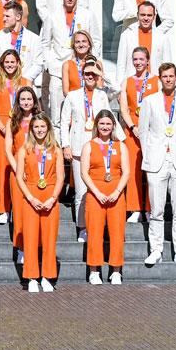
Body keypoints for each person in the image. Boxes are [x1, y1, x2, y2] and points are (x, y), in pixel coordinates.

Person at [59, 60, 121, 242]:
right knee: (81, 191)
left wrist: (102, 73)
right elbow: (63, 122)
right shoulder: (72, 95)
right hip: (78, 147)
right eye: (87, 74)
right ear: (82, 76)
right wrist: (65, 145)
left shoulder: (102, 95)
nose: (90, 77)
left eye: (93, 74)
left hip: (100, 146)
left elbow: (117, 89)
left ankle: (99, 225)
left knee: (100, 188)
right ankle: (82, 227)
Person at [139, 62, 176, 267]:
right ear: (160, 79)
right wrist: (149, 155)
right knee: (157, 209)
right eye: (165, 76)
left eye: (171, 76)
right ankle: (156, 249)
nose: (168, 79)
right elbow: (143, 131)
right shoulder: (149, 101)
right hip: (156, 160)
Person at [13, 113, 63, 292]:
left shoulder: (55, 150)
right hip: (31, 195)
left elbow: (60, 177)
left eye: (43, 127)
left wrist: (52, 198)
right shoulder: (23, 150)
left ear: (48, 128)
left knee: (49, 239)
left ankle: (47, 276)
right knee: (31, 237)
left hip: (50, 195)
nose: (40, 130)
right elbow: (19, 177)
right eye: (36, 127)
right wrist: (31, 197)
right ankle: (32, 276)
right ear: (31, 130)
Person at [81, 110, 130, 285]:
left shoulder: (120, 146)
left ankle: (116, 270)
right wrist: (97, 192)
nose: (105, 127)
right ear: (96, 126)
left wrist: (117, 192)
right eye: (102, 124)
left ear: (113, 126)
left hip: (116, 194)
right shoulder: (89, 146)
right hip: (96, 195)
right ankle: (94, 270)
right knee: (94, 232)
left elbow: (126, 172)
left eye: (108, 124)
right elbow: (84, 173)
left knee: (117, 233)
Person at [41, 0, 101, 116]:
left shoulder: (87, 15)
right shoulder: (52, 15)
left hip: (81, 67)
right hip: (57, 67)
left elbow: (96, 40)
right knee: (57, 111)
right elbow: (45, 42)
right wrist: (48, 63)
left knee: (81, 111)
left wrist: (92, 62)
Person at [0, 50, 31, 226]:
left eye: (12, 62)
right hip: (2, 129)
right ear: (1, 64)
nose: (9, 65)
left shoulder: (25, 82)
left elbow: (33, 105)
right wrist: (2, 127)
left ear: (18, 63)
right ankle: (3, 209)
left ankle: (20, 208)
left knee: (23, 169)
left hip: (22, 129)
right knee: (3, 171)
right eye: (6, 62)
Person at [117, 47, 157, 224]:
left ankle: (149, 208)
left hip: (152, 130)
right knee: (132, 170)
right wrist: (133, 126)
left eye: (141, 59)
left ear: (148, 60)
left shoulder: (157, 81)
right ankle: (134, 208)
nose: (138, 62)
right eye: (135, 59)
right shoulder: (127, 82)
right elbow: (124, 109)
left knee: (151, 169)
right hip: (132, 131)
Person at [115, 3, 173, 88]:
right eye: (143, 15)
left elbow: (167, 65)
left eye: (149, 15)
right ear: (137, 16)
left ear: (154, 16)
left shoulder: (162, 37)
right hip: (132, 85)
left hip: (155, 86)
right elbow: (121, 64)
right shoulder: (127, 35)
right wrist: (120, 89)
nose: (146, 18)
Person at [0, 2, 40, 85]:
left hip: (25, 86)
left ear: (18, 17)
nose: (4, 19)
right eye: (3, 16)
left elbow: (38, 64)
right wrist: (2, 80)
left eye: (7, 16)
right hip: (3, 85)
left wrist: (25, 79)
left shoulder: (34, 38)